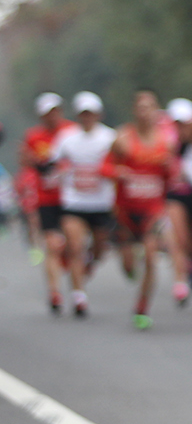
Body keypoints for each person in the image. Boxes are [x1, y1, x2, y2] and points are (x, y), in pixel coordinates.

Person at [109, 91, 176, 329]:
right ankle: (130, 270)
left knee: (150, 258)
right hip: (126, 211)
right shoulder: (123, 139)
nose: (145, 112)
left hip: (152, 210)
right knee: (128, 266)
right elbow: (104, 166)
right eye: (141, 107)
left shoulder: (166, 142)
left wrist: (168, 169)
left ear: (157, 111)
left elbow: (171, 177)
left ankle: (142, 307)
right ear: (134, 111)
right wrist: (117, 172)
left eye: (150, 107)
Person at [49, 92, 118, 318]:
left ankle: (89, 265)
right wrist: (55, 172)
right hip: (74, 202)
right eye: (83, 114)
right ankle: (79, 296)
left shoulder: (110, 138)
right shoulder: (66, 137)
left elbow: (121, 164)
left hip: (100, 204)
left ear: (99, 114)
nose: (87, 118)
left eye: (91, 114)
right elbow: (51, 163)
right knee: (75, 247)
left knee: (99, 249)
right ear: (78, 116)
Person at [23, 93, 72, 313]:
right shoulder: (33, 137)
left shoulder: (72, 131)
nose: (52, 117)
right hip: (47, 199)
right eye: (47, 113)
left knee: (72, 245)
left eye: (55, 111)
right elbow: (28, 164)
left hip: (72, 198)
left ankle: (69, 265)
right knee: (52, 245)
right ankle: (55, 293)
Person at [163, 97, 192, 306]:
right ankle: (180, 281)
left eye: (185, 122)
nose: (181, 127)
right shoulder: (167, 141)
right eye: (177, 123)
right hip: (175, 195)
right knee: (179, 237)